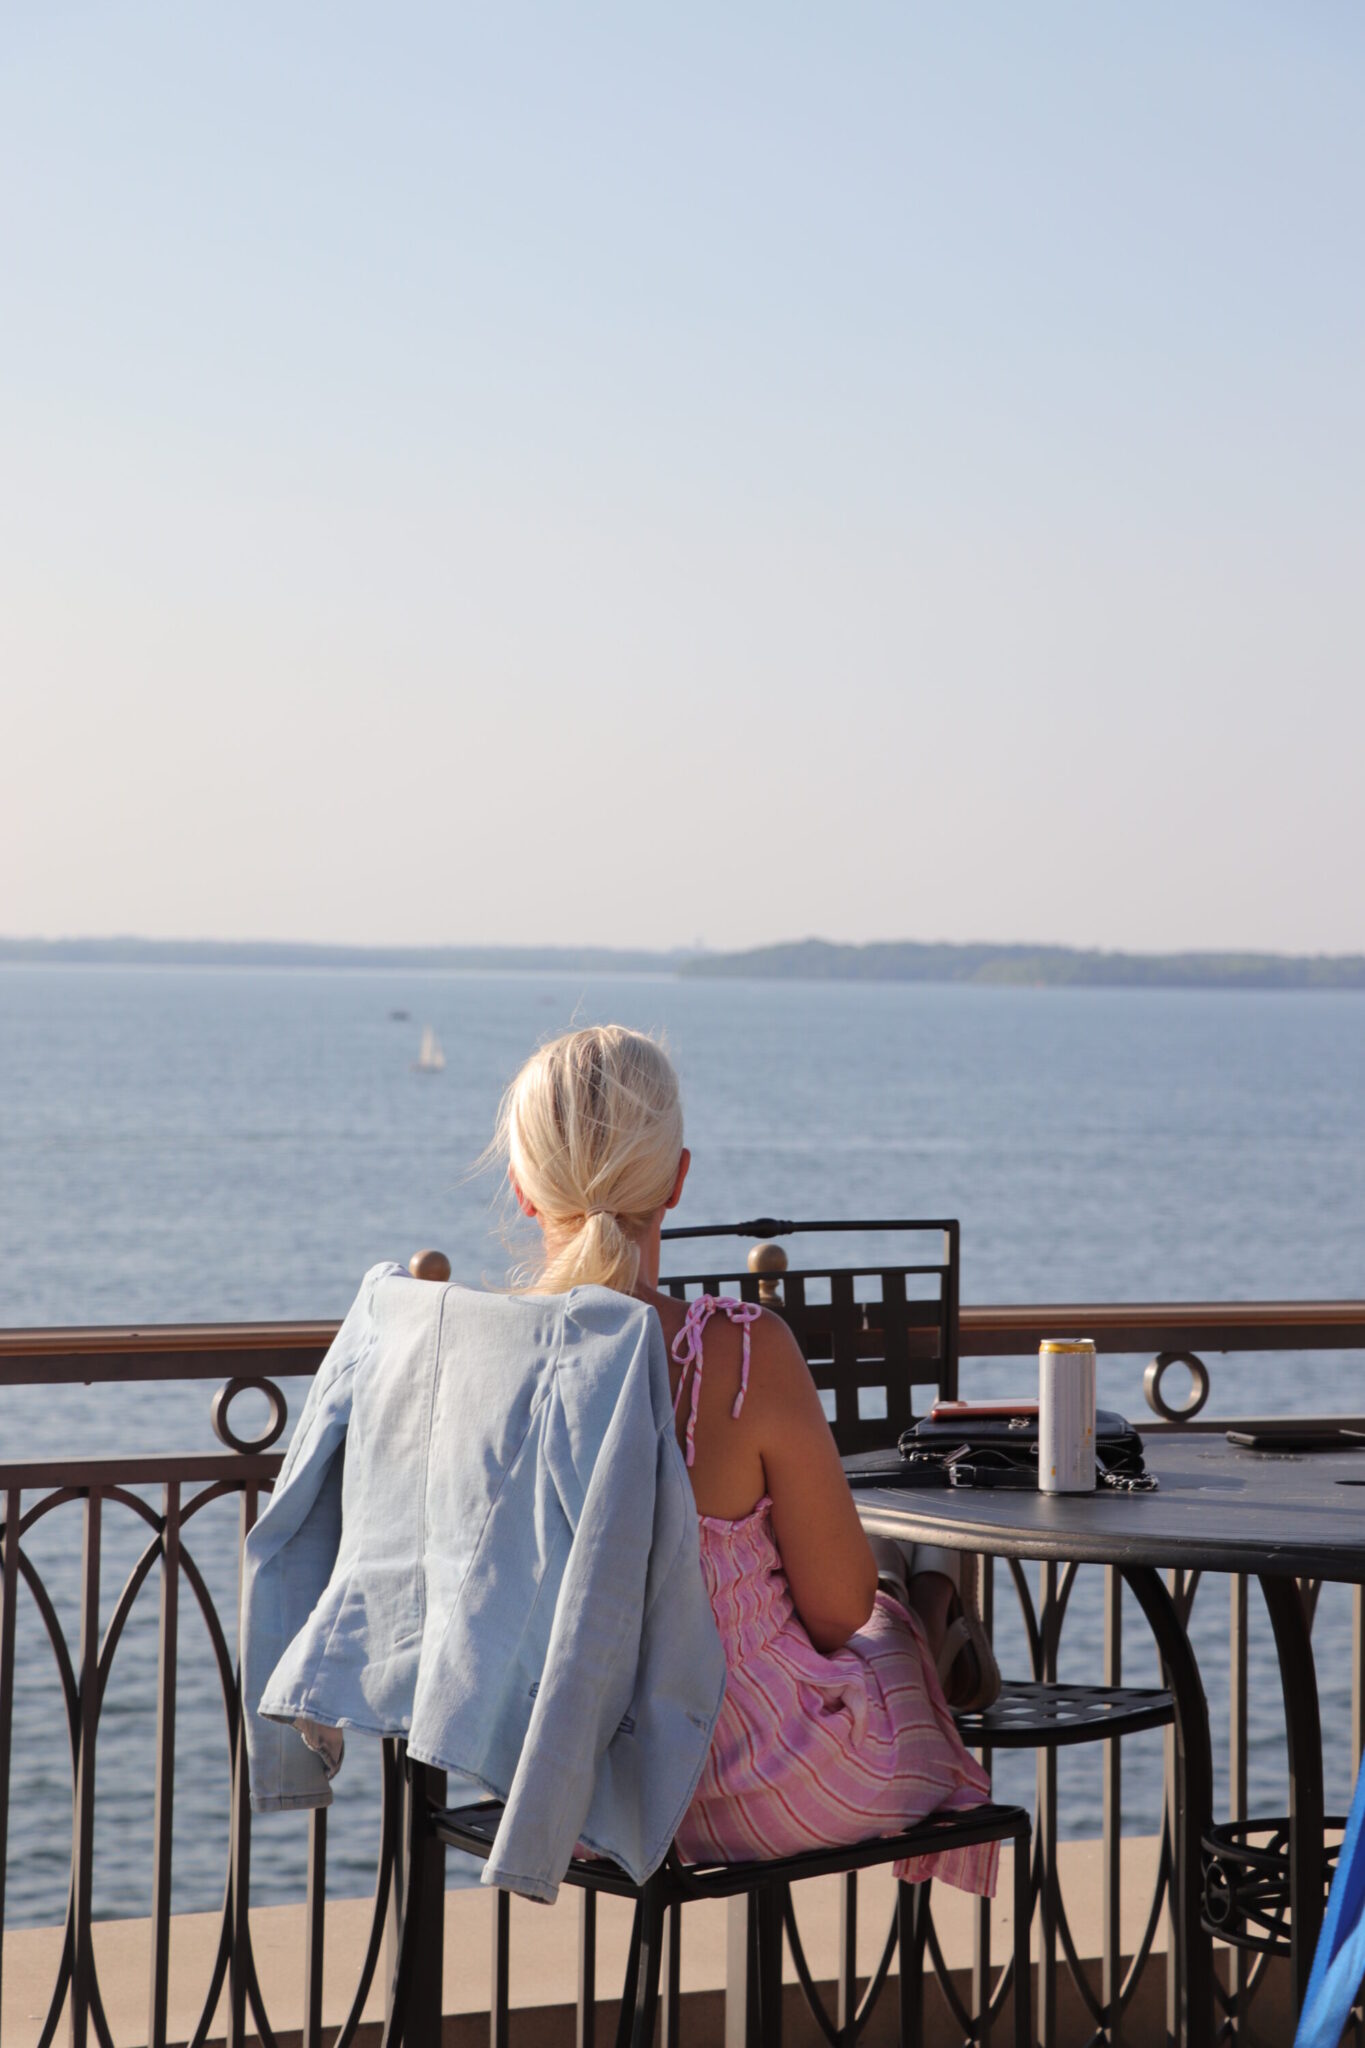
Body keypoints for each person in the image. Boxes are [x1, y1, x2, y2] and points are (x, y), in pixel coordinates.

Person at [495, 1023, 1000, 1895]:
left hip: (558, 1796)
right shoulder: (736, 1352)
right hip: (761, 1786)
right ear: (677, 1180)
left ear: (523, 1192)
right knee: (882, 1617)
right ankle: (932, 1590)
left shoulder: (479, 1361)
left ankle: (925, 1587)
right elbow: (836, 1614)